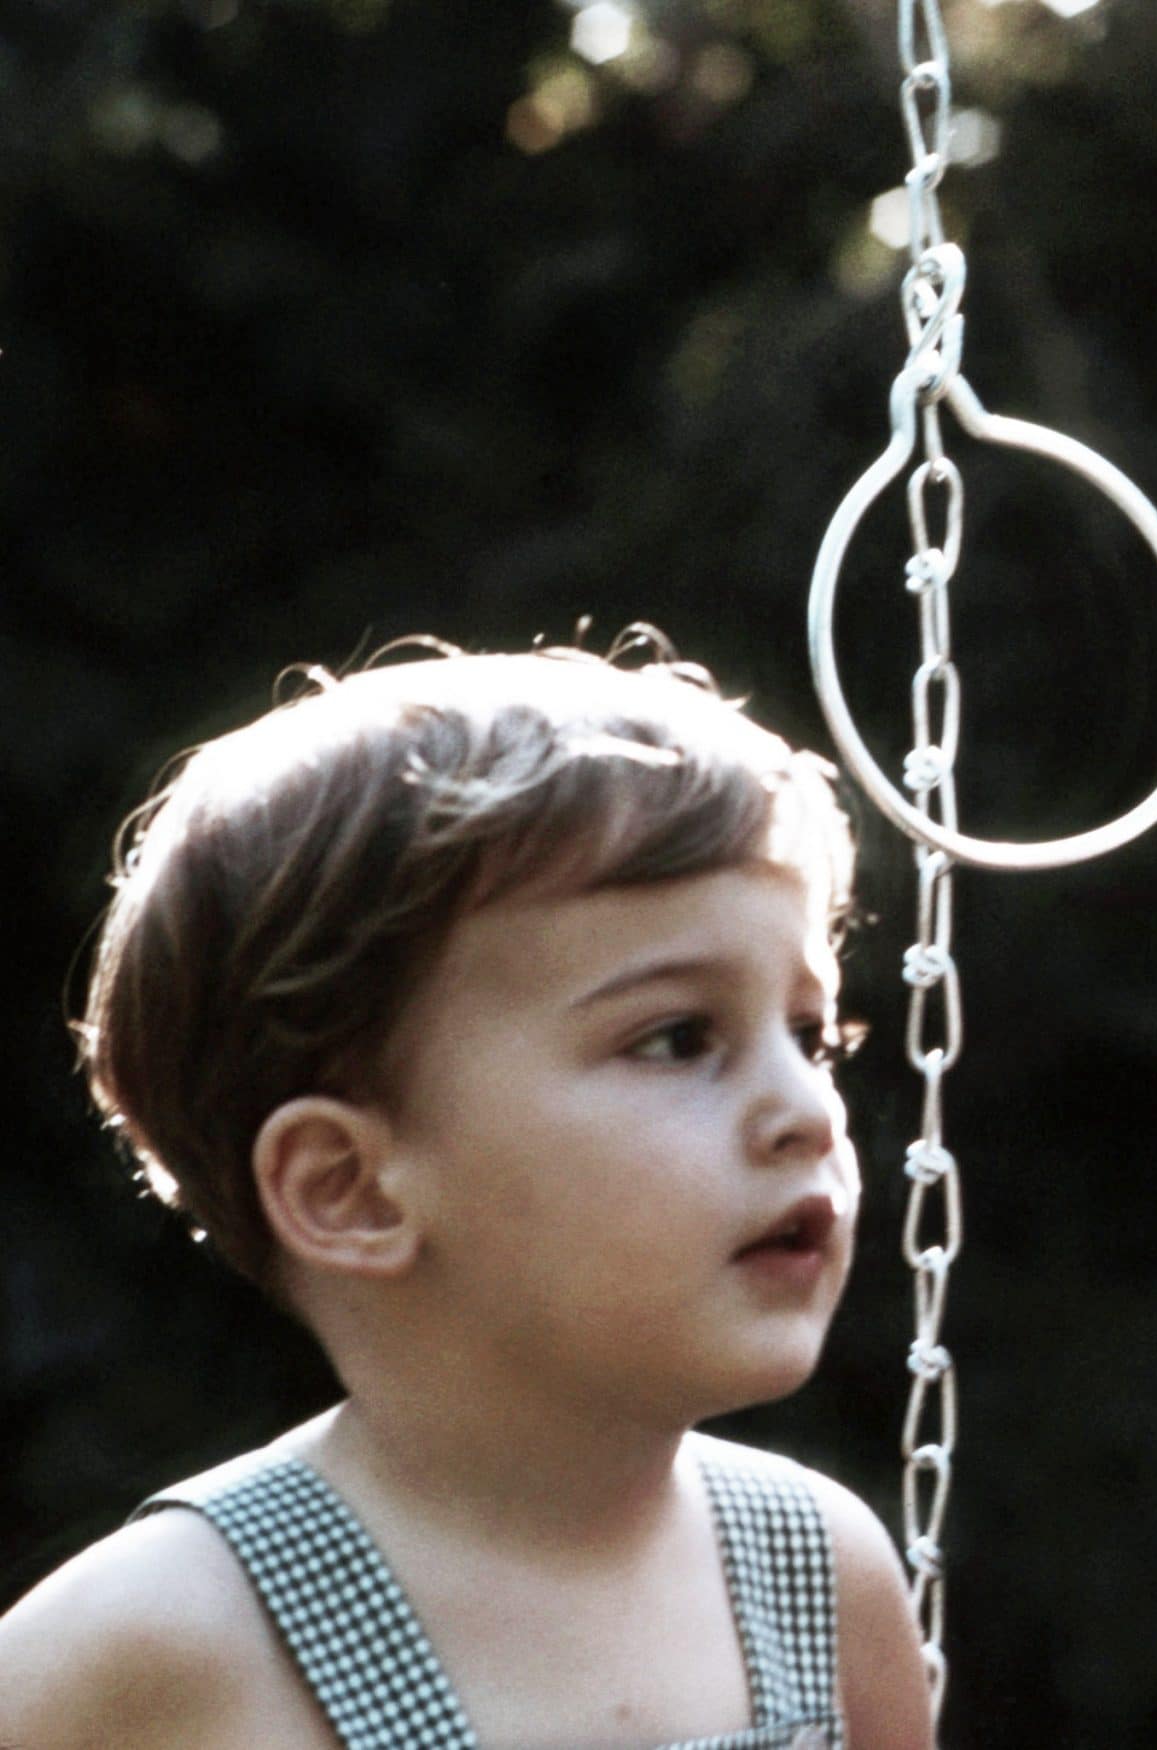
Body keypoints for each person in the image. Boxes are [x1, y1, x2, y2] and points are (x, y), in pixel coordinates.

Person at [0, 637, 936, 1749]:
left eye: (810, 1034)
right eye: (678, 1037)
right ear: (349, 1189)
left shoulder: (818, 1580)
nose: (810, 1112)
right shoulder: (159, 1641)